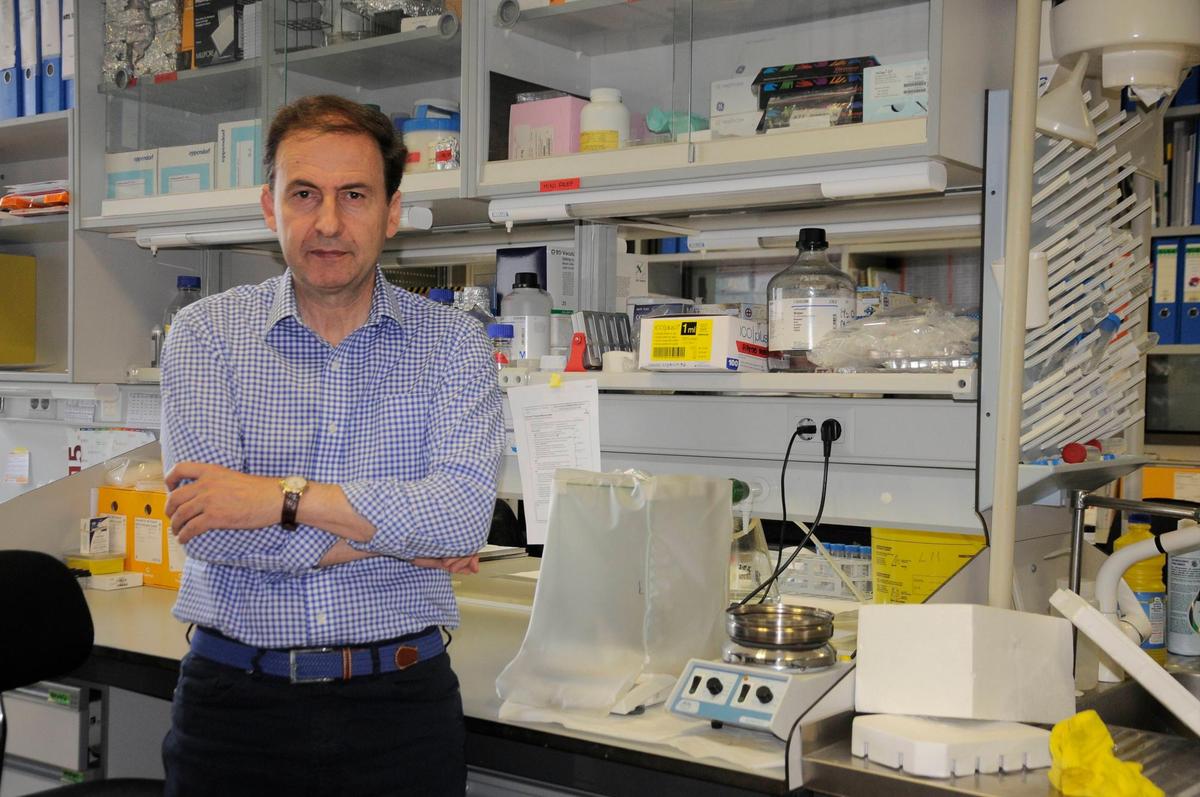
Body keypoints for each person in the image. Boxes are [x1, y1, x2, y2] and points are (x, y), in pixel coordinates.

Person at [158, 94, 504, 796]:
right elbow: (210, 530)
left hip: (401, 709)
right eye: (304, 194)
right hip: (235, 707)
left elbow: (464, 518)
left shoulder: (454, 345)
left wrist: (277, 498)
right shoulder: (205, 335)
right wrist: (400, 532)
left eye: (354, 195)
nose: (327, 222)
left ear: (392, 210)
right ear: (269, 205)